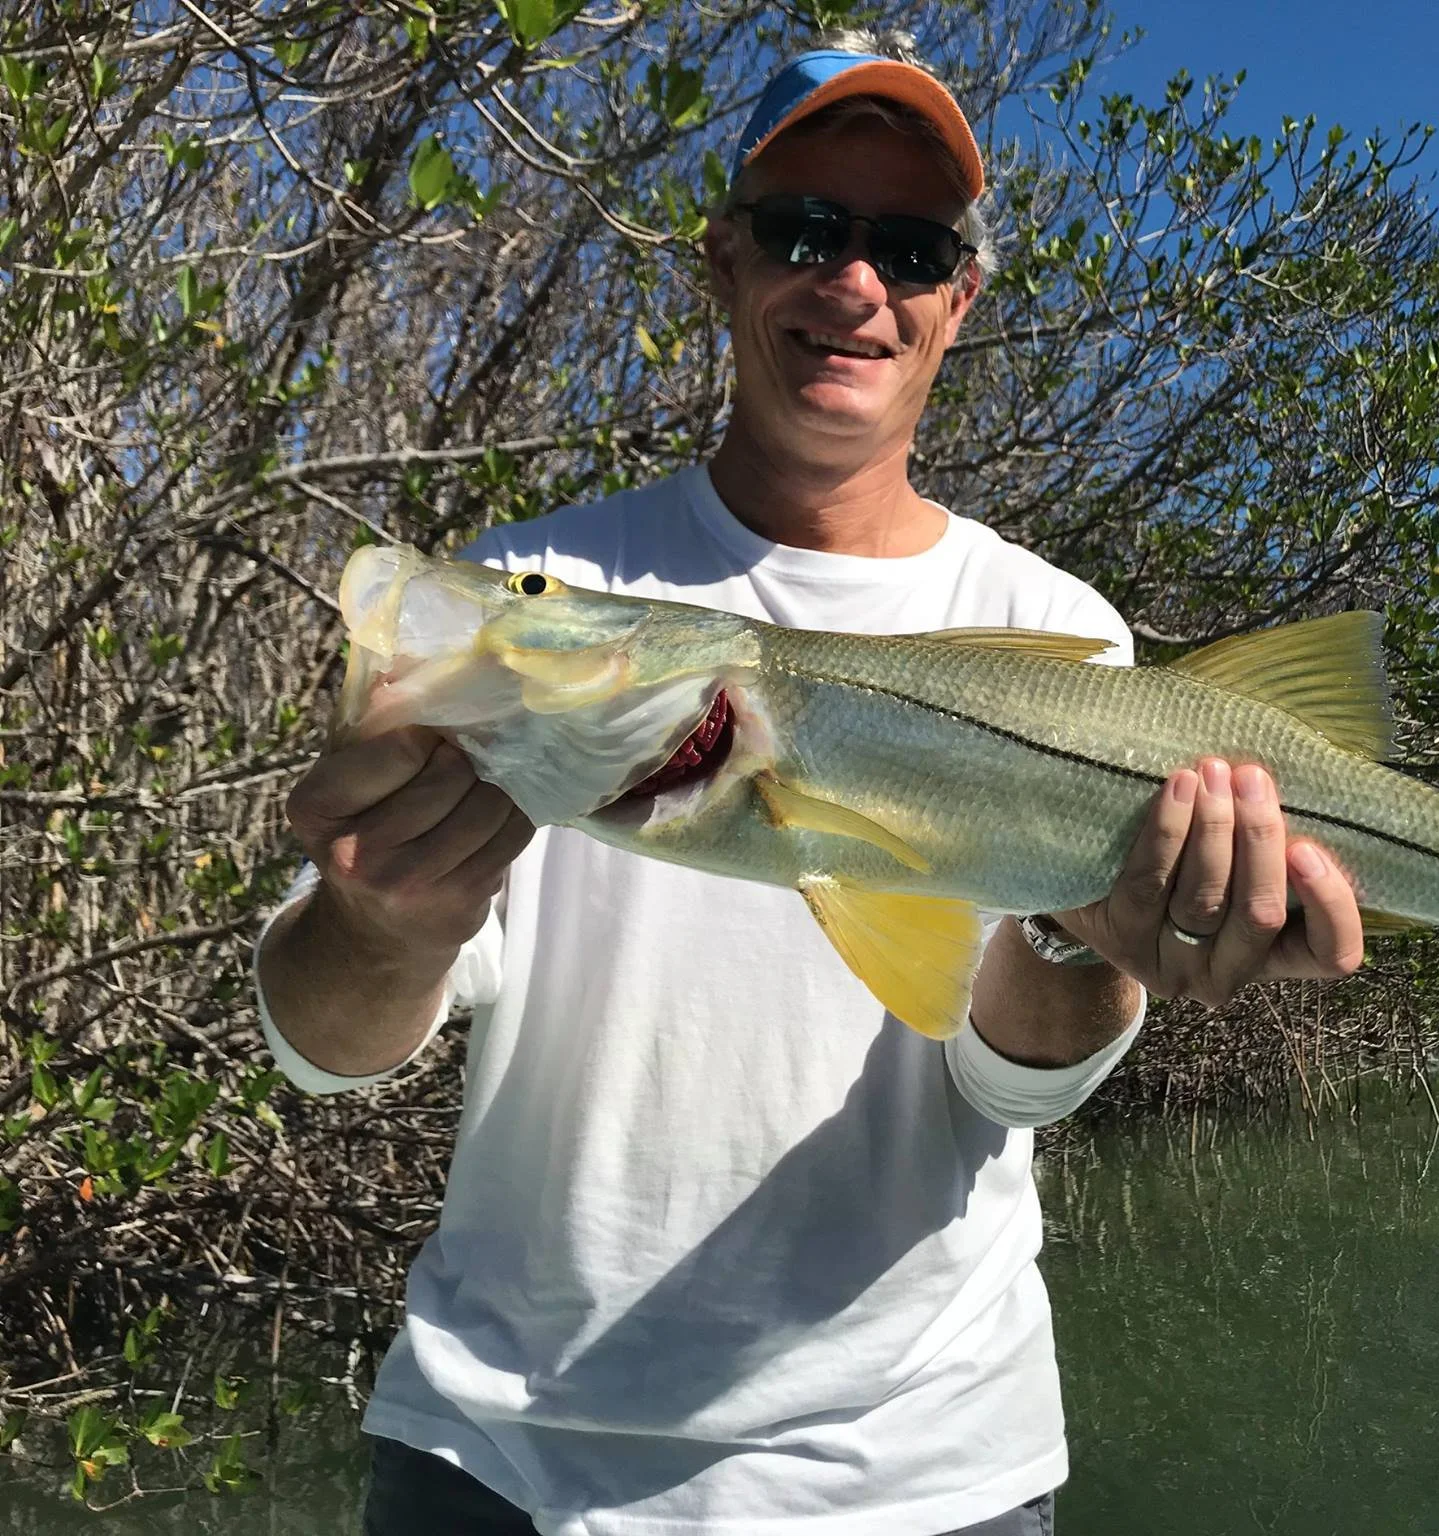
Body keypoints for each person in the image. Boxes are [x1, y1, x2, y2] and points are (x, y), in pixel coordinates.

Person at [256, 31, 1366, 1536]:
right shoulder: (555, 583)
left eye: (909, 249)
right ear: (723, 264)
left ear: (956, 303)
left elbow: (1005, 1076)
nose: (854, 282)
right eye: (804, 230)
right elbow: (326, 1055)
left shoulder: (1068, 641)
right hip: (501, 1465)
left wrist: (1076, 940)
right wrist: (382, 924)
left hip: (916, 1480)